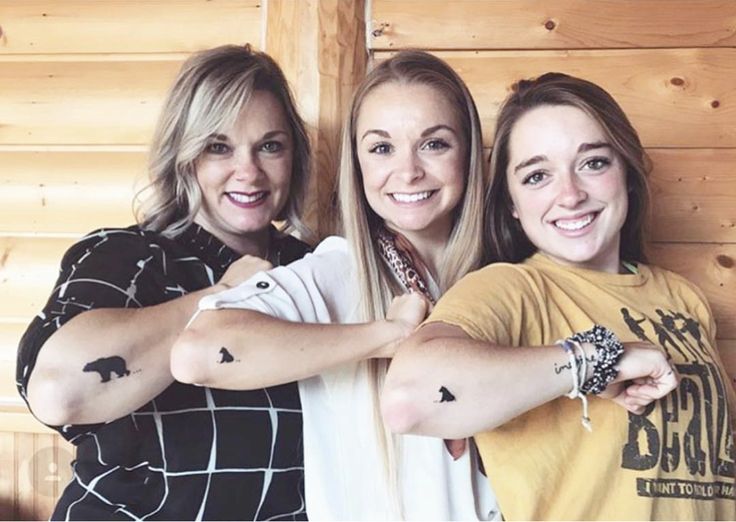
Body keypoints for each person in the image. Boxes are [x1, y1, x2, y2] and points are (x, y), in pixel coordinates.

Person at [381, 72, 736, 520]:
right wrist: (594, 360)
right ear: (511, 202)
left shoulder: (685, 298)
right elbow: (407, 401)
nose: (569, 195)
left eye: (593, 163)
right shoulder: (511, 289)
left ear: (626, 172)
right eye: (537, 176)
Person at [172, 50, 498, 520]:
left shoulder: (503, 277)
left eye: (434, 144)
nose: (408, 171)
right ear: (357, 163)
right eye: (382, 148)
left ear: (468, 152)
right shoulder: (340, 270)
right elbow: (198, 353)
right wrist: (388, 335)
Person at [16, 44, 313, 520]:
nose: (249, 171)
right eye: (219, 147)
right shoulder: (129, 257)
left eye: (270, 146)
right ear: (185, 155)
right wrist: (223, 297)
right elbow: (57, 393)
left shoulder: (314, 268)